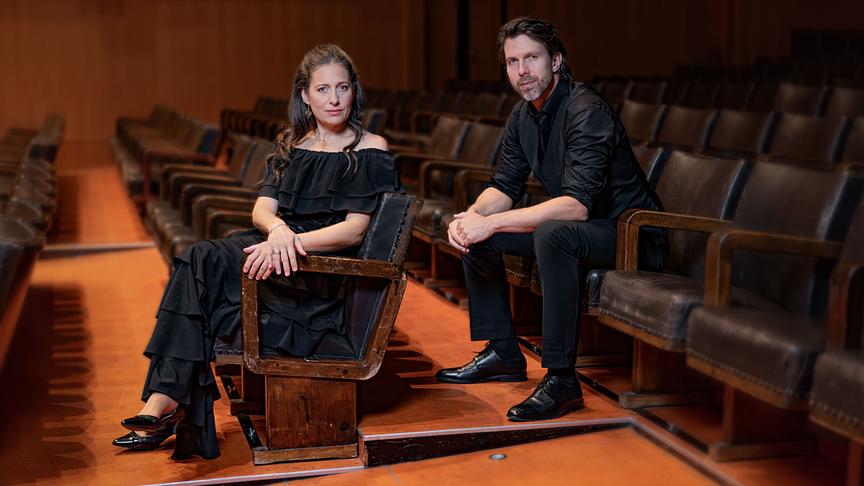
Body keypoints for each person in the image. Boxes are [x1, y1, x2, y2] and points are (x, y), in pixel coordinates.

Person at [112, 44, 399, 458]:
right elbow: (262, 209)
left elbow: (354, 230)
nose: (334, 100)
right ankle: (163, 400)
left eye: (342, 87)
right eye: (323, 90)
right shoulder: (292, 142)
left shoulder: (370, 147)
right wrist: (279, 231)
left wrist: (291, 243)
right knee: (198, 258)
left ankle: (164, 404)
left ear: (354, 91)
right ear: (305, 95)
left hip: (316, 267)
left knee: (204, 272)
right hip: (278, 246)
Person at [435, 18, 668, 421]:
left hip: (632, 235)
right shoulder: (522, 115)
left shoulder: (586, 110)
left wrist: (493, 222)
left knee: (553, 234)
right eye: (512, 61)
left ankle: (562, 379)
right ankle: (504, 351)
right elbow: (504, 185)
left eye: (532, 58)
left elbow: (575, 206)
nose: (522, 70)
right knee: (481, 236)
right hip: (582, 230)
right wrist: (472, 217)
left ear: (555, 60)